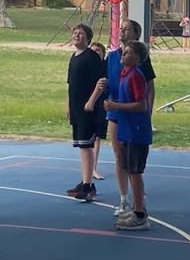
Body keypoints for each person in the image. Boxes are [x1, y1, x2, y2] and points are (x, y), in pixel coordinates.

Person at [87, 19, 155, 217]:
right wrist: (93, 100)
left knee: (134, 163)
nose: (121, 30)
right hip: (116, 111)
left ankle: (139, 206)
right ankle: (124, 199)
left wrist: (147, 112)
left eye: (127, 29)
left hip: (132, 113)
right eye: (121, 28)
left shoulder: (139, 63)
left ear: (135, 34)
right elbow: (104, 81)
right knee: (121, 157)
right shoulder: (113, 57)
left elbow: (149, 88)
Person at [105, 40, 155, 231]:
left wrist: (116, 106)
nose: (123, 55)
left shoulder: (135, 76)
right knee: (129, 169)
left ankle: (140, 214)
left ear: (137, 58)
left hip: (136, 131)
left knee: (135, 172)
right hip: (127, 129)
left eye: (127, 53)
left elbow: (141, 105)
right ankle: (136, 208)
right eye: (123, 52)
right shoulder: (124, 74)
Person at [63, 23, 107, 202]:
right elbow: (70, 84)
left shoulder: (91, 57)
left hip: (87, 108)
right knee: (82, 145)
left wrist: (91, 101)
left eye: (80, 33)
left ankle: (88, 185)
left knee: (86, 145)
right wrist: (68, 105)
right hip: (76, 107)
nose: (76, 35)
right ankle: (85, 181)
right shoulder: (74, 57)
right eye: (75, 33)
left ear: (88, 38)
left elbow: (101, 81)